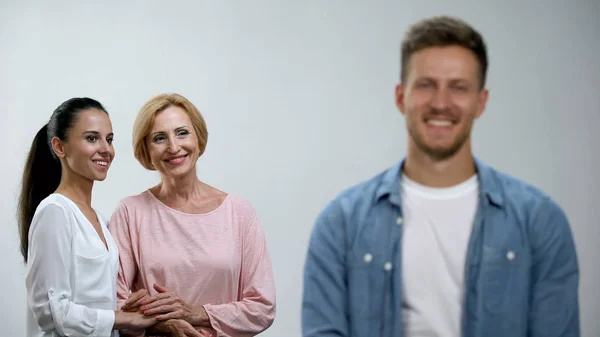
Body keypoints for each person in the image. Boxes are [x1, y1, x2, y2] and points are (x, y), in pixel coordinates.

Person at [301, 15, 580, 337]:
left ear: (481, 102)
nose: (441, 103)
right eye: (426, 84)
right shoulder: (341, 224)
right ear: (400, 96)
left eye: (459, 87)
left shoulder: (540, 222)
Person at [108, 93, 276, 337]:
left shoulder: (239, 213)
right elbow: (113, 303)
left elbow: (262, 307)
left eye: (182, 133)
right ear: (146, 149)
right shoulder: (130, 213)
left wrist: (194, 312)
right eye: (159, 138)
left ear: (198, 137)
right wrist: (160, 325)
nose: (174, 147)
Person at [19, 97, 158, 337]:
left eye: (109, 139)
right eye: (92, 138)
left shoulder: (101, 222)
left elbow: (95, 303)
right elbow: (51, 313)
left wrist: (128, 308)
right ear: (59, 147)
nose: (106, 148)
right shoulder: (55, 211)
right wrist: (123, 318)